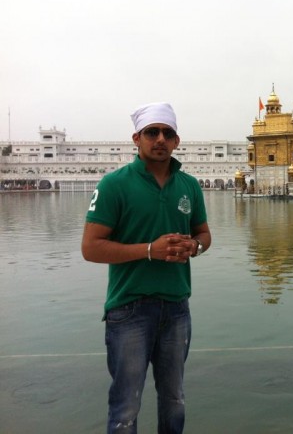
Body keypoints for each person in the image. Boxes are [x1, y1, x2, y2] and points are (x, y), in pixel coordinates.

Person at [81, 102, 211, 434]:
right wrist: (151, 250)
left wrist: (194, 246)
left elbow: (204, 234)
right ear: (136, 138)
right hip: (129, 308)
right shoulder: (115, 185)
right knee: (126, 406)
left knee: (174, 400)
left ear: (177, 141)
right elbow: (91, 247)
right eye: (152, 132)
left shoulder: (189, 186)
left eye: (167, 133)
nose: (160, 139)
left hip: (177, 307)